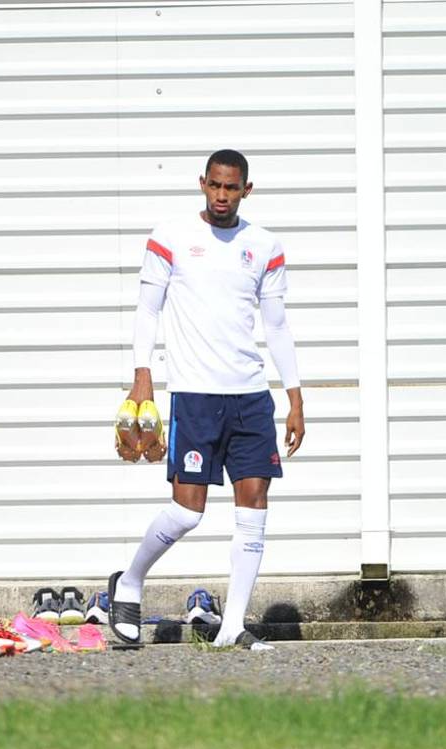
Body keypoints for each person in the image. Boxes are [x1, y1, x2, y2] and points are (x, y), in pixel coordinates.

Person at [108, 148, 304, 651]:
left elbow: (277, 325)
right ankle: (129, 582)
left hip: (250, 397)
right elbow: (147, 311)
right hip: (195, 395)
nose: (222, 195)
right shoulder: (171, 237)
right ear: (202, 184)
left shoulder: (264, 246)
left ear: (246, 190)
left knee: (254, 506)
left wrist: (295, 396)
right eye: (215, 185)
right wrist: (142, 377)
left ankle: (233, 625)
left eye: (231, 187)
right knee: (187, 511)